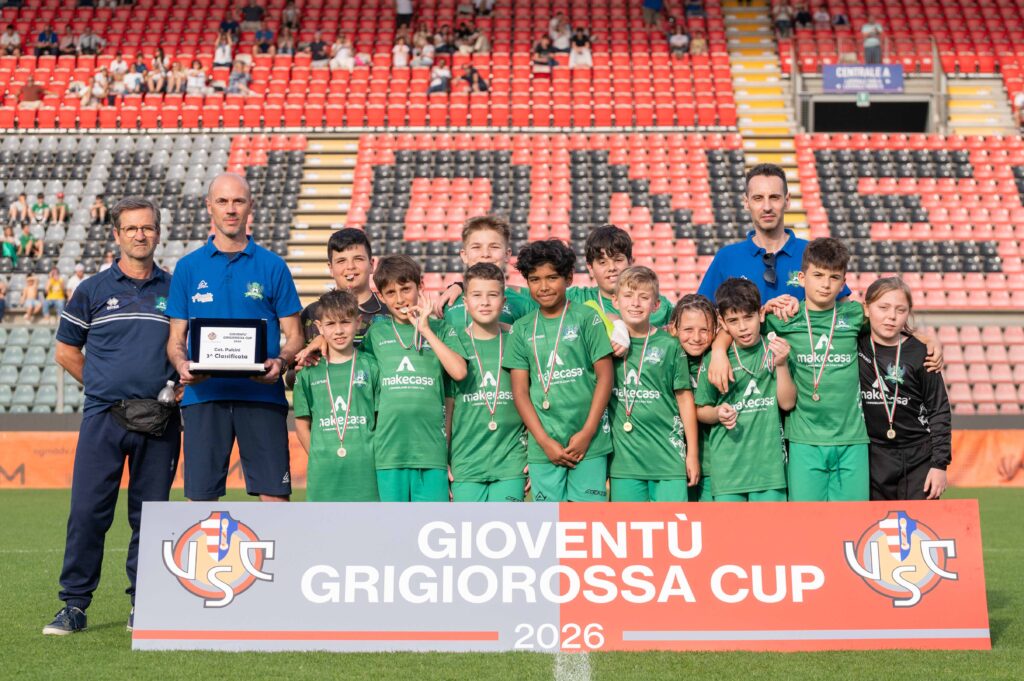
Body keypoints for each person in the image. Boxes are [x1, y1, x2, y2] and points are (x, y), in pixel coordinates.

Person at [42, 197, 181, 636]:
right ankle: (74, 605)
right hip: (104, 417)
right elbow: (66, 351)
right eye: (132, 228)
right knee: (87, 512)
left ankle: (144, 602)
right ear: (117, 234)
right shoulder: (92, 289)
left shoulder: (177, 289)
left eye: (148, 227)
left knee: (151, 517)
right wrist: (103, 387)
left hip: (160, 419)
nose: (141, 235)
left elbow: (189, 350)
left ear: (158, 233)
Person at [165, 173, 303, 503]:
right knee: (199, 501)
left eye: (238, 201)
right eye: (223, 201)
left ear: (250, 206)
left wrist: (280, 362)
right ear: (209, 206)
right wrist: (182, 365)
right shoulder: (188, 268)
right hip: (204, 396)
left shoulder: (273, 266)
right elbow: (175, 340)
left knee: (275, 498)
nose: (230, 209)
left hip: (261, 396)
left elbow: (296, 335)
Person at [757, 238, 868, 501]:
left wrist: (926, 340)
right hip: (804, 439)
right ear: (801, 278)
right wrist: (764, 308)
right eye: (817, 275)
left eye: (834, 277)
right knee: (806, 521)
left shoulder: (854, 315)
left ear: (843, 283)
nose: (826, 284)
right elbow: (740, 326)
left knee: (853, 522)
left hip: (852, 439)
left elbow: (891, 325)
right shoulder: (783, 318)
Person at [503, 239, 614, 502]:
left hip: (589, 442)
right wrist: (543, 441)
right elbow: (520, 392)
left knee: (587, 519)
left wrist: (587, 432)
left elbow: (605, 377)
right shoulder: (521, 328)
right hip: (545, 447)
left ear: (569, 278)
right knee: (548, 521)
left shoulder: (587, 318)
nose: (543, 286)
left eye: (552, 278)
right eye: (534, 279)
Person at [361, 255, 468, 502]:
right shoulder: (376, 333)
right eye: (391, 293)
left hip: (431, 452)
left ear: (420, 285)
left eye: (406, 289)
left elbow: (460, 372)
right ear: (381, 296)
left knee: (430, 523)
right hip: (388, 453)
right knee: (392, 524)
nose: (400, 299)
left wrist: (426, 330)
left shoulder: (441, 329)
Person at [695, 278, 794, 501]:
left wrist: (781, 365)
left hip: (770, 471)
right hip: (728, 472)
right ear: (722, 322)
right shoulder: (716, 359)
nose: (742, 327)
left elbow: (787, 403)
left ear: (761, 314)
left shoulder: (776, 349)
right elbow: (701, 410)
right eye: (733, 320)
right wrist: (717, 413)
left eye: (748, 317)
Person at [607, 267, 699, 501]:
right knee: (628, 525)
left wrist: (692, 453)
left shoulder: (670, 345)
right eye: (628, 296)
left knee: (675, 524)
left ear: (656, 305)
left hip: (668, 459)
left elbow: (684, 399)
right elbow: (587, 311)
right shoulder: (606, 343)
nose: (635, 303)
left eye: (644, 297)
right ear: (615, 301)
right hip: (624, 465)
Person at [698, 164, 852, 306]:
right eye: (758, 198)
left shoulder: (813, 253)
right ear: (746, 202)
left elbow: (845, 311)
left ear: (787, 200)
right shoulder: (727, 258)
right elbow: (703, 314)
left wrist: (799, 310)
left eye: (774, 197)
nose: (767, 207)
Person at [859, 277, 951, 500]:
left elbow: (939, 409)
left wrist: (940, 465)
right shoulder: (855, 344)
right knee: (877, 522)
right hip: (872, 457)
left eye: (900, 310)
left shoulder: (922, 353)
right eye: (883, 307)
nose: (891, 316)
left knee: (920, 521)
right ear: (867, 309)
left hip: (919, 456)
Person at [446, 263, 529, 502]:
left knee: (507, 525)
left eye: (492, 295)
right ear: (465, 302)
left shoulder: (517, 340)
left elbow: (530, 399)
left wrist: (535, 456)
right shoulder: (454, 344)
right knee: (469, 526)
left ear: (503, 302)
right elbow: (449, 406)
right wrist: (444, 458)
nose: (484, 302)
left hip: (511, 462)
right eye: (476, 295)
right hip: (466, 463)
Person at [293, 289, 380, 502]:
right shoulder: (308, 372)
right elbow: (302, 425)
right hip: (324, 474)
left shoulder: (372, 366)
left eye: (345, 322)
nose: (339, 331)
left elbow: (381, 421)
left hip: (367, 472)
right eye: (330, 324)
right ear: (319, 327)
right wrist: (319, 456)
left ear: (358, 322)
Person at [289, 228, 388, 380]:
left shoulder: (389, 311)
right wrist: (302, 373)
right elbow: (290, 376)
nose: (350, 267)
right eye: (341, 261)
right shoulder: (312, 313)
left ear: (371, 264)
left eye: (358, 259)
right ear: (331, 268)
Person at [435, 215, 537, 326]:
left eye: (494, 247)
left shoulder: (531, 298)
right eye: (476, 247)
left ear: (507, 254)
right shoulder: (449, 300)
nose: (485, 254)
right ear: (464, 255)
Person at [567, 225, 675, 327]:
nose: (612, 268)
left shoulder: (661, 307)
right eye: (602, 262)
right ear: (591, 268)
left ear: (630, 262)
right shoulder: (575, 298)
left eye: (618, 260)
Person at [669, 294, 718, 501]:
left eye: (704, 330)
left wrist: (720, 350)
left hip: (712, 463)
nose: (696, 338)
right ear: (674, 329)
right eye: (688, 330)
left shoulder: (719, 357)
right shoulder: (665, 356)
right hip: (672, 461)